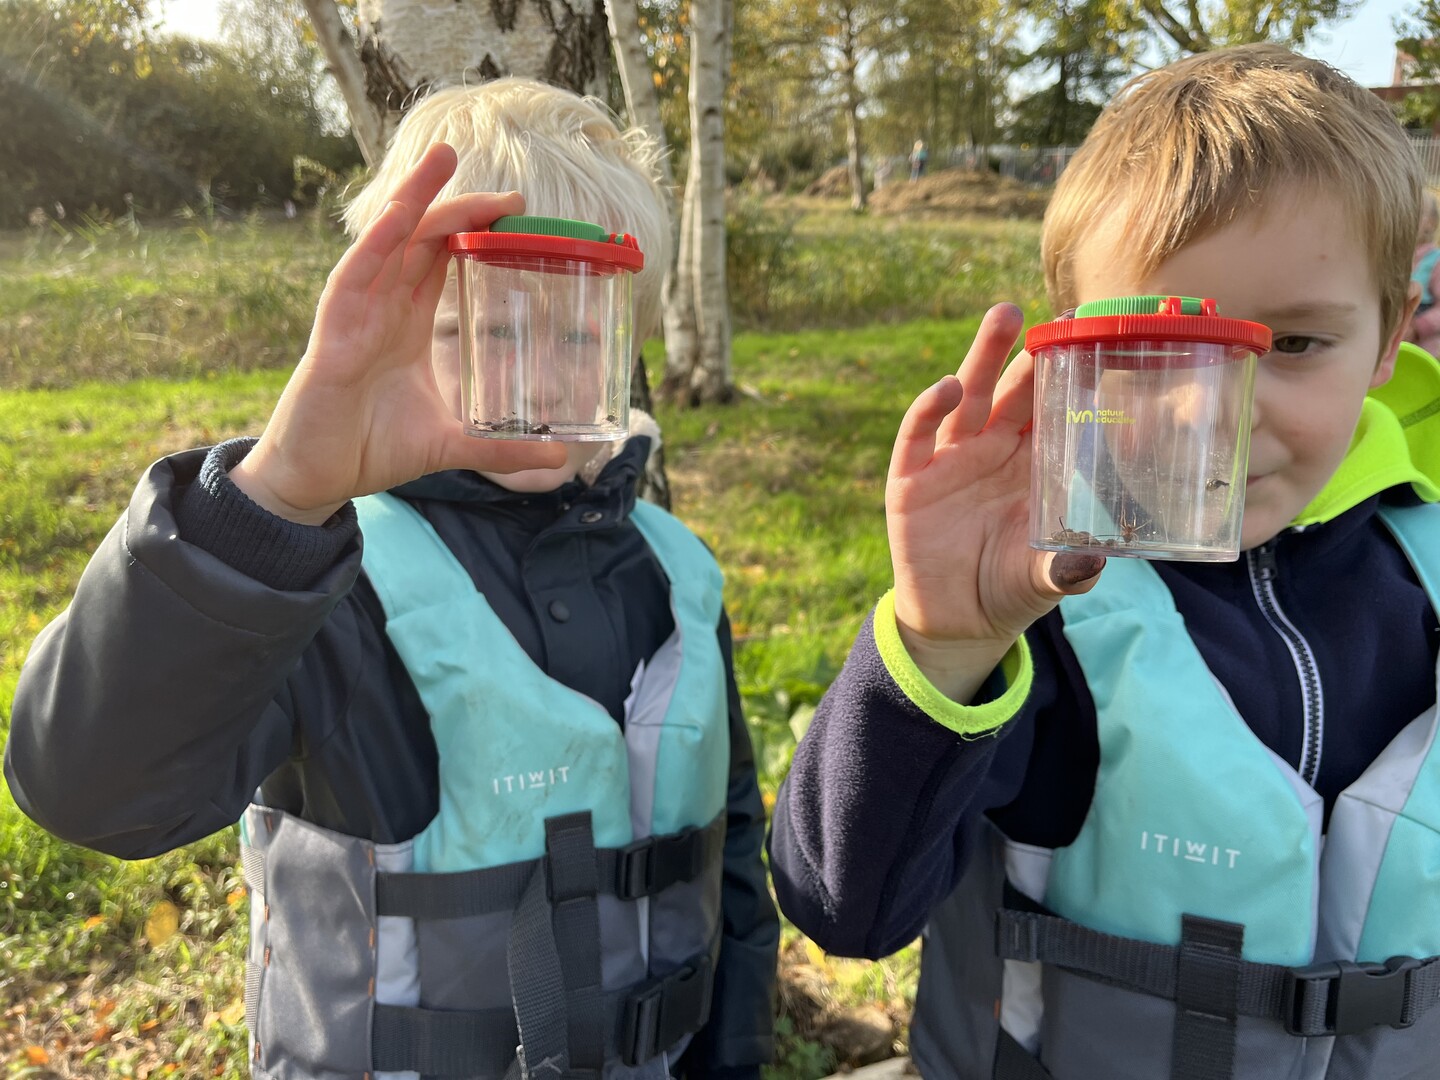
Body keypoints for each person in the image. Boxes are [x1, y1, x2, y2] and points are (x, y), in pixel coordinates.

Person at [5, 78, 778, 1080]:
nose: (539, 377)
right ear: (410, 323)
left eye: (580, 327)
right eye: (492, 327)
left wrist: (740, 1053)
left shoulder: (679, 575)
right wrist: (278, 494)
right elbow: (91, 790)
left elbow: (732, 853)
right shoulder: (329, 583)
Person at [769, 44, 1440, 1079]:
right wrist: (942, 640)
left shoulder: (1426, 577)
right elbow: (844, 909)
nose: (1220, 418)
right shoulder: (1047, 609)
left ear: (1392, 337)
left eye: (1296, 345)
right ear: (1071, 351)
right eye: (1153, 351)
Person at [1409, 191, 1440, 355]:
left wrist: (1417, 327)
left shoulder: (1435, 261)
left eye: (1417, 212)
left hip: (1425, 353)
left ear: (1432, 223)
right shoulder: (1394, 258)